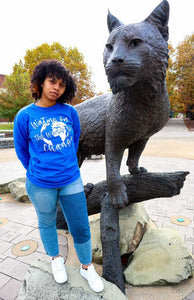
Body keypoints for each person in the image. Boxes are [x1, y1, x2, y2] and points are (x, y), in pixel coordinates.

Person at [14, 59, 104, 293]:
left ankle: (86, 267)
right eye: (52, 81)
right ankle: (55, 260)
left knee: (81, 226)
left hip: (70, 180)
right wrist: (36, 170)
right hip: (40, 183)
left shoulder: (70, 113)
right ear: (41, 82)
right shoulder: (25, 115)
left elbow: (73, 143)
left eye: (62, 85)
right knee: (47, 223)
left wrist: (64, 166)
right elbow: (22, 150)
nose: (56, 87)